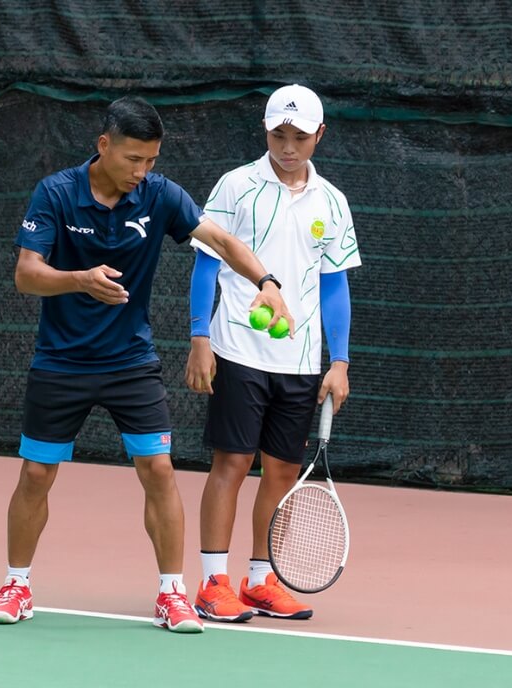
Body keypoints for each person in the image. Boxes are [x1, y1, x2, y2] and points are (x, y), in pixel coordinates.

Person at [0, 96, 294, 634]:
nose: (141, 171)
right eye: (132, 159)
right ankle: (17, 583)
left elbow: (219, 239)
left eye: (150, 160)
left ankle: (172, 594)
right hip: (61, 362)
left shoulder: (159, 195)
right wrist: (79, 279)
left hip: (131, 362)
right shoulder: (56, 194)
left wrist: (266, 283)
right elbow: (26, 275)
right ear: (103, 146)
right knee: (36, 473)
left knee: (159, 470)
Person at [185, 84, 360, 623]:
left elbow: (335, 287)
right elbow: (207, 265)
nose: (288, 147)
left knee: (282, 471)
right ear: (265, 131)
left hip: (303, 361)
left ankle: (259, 581)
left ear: (319, 136)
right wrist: (200, 338)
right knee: (231, 463)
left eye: (300, 137)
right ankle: (214, 581)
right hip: (237, 348)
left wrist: (339, 361)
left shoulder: (332, 202)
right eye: (279, 135)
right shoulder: (236, 187)